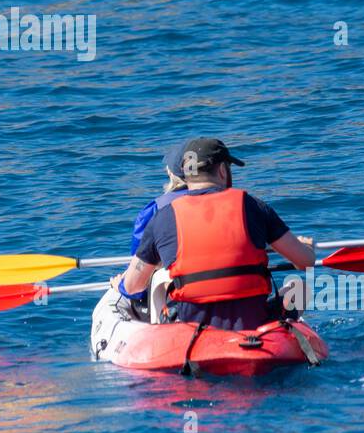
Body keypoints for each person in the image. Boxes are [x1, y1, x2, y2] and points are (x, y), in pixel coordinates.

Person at [114, 138, 316, 331]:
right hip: (254, 324)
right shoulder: (253, 206)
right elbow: (305, 262)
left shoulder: (163, 218)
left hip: (192, 330)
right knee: (300, 287)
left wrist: (120, 284)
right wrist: (305, 248)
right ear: (222, 170)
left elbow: (133, 286)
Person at [117, 142, 191, 319]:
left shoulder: (154, 210)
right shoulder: (225, 202)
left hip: (176, 292)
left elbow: (140, 260)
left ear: (170, 174)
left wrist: (121, 286)